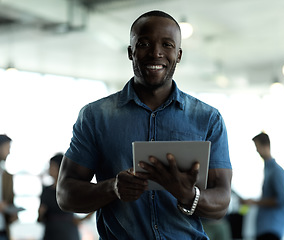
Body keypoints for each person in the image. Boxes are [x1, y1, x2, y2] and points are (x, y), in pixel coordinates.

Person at [57, 10, 232, 240]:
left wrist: (187, 194)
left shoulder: (208, 118)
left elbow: (221, 202)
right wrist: (113, 188)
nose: (156, 52)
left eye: (167, 44)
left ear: (178, 55)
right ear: (131, 52)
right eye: (144, 43)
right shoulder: (95, 116)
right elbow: (65, 194)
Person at [241, 132, 284, 240]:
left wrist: (253, 202)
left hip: (271, 230)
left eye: (258, 147)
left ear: (266, 146)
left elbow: (282, 200)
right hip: (264, 229)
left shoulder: (277, 171)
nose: (257, 151)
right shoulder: (268, 170)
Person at [38, 153, 93, 240]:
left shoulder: (70, 189)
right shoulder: (46, 190)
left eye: (52, 166)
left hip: (67, 232)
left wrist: (82, 220)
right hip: (50, 232)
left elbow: (93, 202)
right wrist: (40, 214)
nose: (49, 169)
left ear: (60, 168)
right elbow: (40, 219)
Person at [0, 134, 18, 240]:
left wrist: (13, 214)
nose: (9, 152)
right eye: (7, 148)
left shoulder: (7, 176)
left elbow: (10, 201)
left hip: (3, 231)